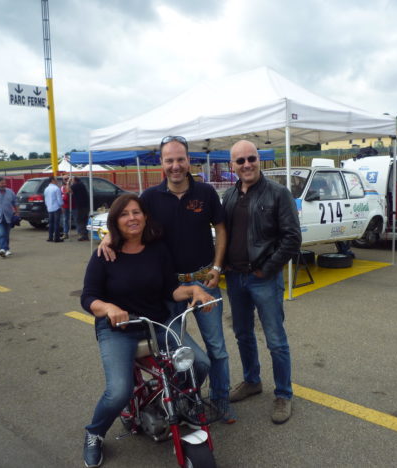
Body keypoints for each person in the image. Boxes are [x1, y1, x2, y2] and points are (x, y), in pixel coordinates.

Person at [98, 135, 235, 423]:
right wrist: (110, 236)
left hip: (203, 282)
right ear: (161, 163)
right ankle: (182, 400)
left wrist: (218, 267)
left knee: (217, 349)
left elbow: (221, 229)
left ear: (189, 161)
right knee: (172, 352)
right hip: (168, 287)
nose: (175, 165)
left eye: (180, 159)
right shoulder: (149, 197)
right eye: (169, 160)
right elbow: (128, 218)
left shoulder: (206, 193)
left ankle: (221, 400)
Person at [81, 193, 214, 468]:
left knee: (199, 364)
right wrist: (107, 308)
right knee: (119, 391)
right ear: (116, 221)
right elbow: (88, 297)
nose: (132, 218)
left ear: (144, 217)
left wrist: (194, 290)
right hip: (120, 329)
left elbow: (170, 290)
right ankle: (94, 433)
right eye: (124, 214)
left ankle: (176, 403)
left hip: (157, 325)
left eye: (136, 212)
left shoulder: (157, 249)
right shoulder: (105, 254)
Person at [222, 140, 302, 424]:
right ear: (232, 166)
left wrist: (266, 270)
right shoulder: (229, 196)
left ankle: (284, 394)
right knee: (242, 334)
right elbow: (222, 235)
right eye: (240, 161)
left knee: (276, 340)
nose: (246, 165)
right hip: (235, 277)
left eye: (251, 158)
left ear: (259, 160)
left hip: (262, 279)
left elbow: (292, 238)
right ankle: (252, 381)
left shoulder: (279, 194)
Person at [43, 176, 63, 242]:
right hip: (56, 207)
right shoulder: (56, 188)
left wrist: (47, 206)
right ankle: (56, 238)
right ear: (52, 180)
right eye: (56, 180)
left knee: (51, 223)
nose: (57, 181)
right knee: (56, 223)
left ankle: (50, 237)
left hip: (49, 208)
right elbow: (59, 199)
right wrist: (61, 206)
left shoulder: (46, 189)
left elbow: (45, 199)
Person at [71, 176, 90, 241]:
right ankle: (85, 235)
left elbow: (68, 191)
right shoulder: (82, 185)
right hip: (86, 205)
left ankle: (83, 235)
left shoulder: (76, 185)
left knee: (80, 220)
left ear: (75, 180)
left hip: (80, 206)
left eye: (72, 180)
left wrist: (68, 183)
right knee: (85, 220)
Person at [61, 175, 72, 239]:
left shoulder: (72, 186)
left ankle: (81, 233)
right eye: (65, 179)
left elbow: (71, 192)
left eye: (67, 179)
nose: (67, 180)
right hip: (65, 205)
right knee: (65, 219)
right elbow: (67, 193)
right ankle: (65, 233)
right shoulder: (62, 187)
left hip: (73, 205)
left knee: (77, 219)